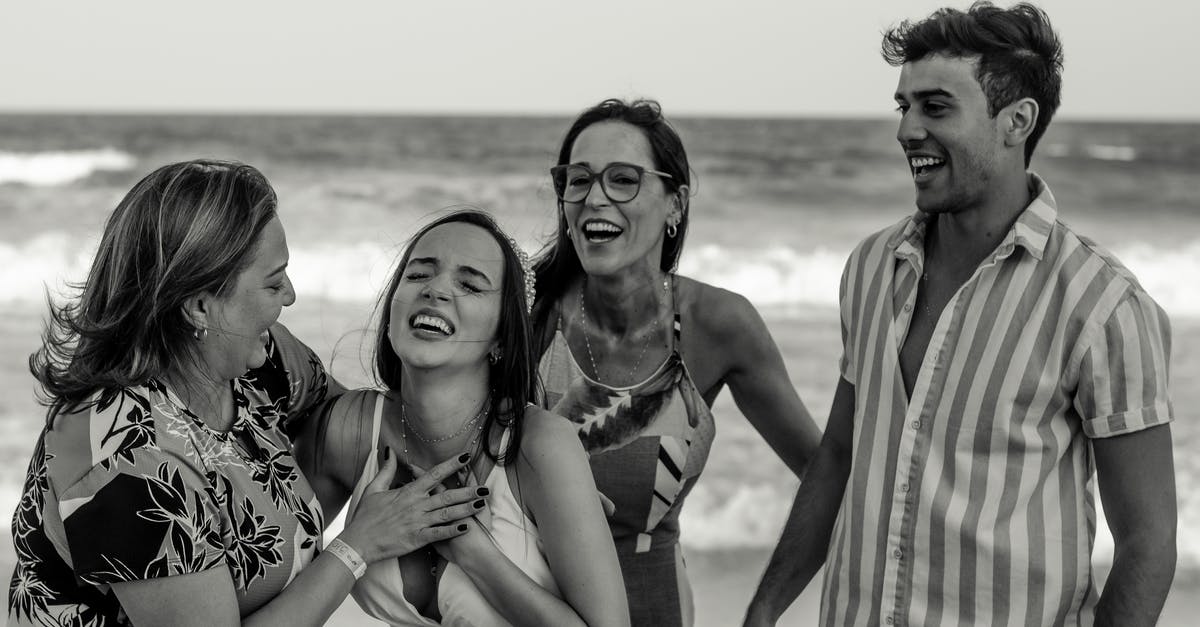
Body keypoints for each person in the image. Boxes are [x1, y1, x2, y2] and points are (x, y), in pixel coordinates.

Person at [745, 3, 1177, 626]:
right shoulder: (871, 267)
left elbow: (1147, 543)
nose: (906, 130)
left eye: (935, 107)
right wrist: (764, 608)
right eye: (904, 106)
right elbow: (839, 454)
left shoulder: (1102, 303)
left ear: (1016, 121)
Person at [8, 160, 485, 626]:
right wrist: (358, 546)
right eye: (273, 282)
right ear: (199, 306)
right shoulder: (126, 462)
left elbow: (365, 425)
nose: (291, 295)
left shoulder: (260, 363)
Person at [532, 98, 823, 626]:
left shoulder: (716, 324)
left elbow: (828, 474)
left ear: (675, 204)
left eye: (623, 180)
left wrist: (765, 609)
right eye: (578, 180)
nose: (595, 198)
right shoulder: (524, 317)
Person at [298, 209, 629, 626]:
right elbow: (273, 580)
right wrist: (358, 544)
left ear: (502, 338)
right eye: (418, 275)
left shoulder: (539, 445)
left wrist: (474, 553)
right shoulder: (351, 430)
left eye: (470, 284)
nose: (435, 290)